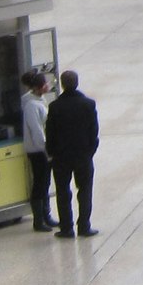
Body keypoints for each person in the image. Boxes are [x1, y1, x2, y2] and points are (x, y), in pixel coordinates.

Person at [44, 68, 99, 238]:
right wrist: (90, 151)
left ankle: (66, 227)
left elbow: (50, 133)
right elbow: (93, 132)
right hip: (83, 155)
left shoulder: (55, 107)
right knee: (85, 191)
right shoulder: (88, 104)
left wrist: (51, 152)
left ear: (62, 84)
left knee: (63, 192)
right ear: (77, 83)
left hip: (61, 157)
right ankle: (84, 226)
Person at [20, 70, 53, 233]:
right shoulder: (31, 106)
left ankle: (46, 215)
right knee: (40, 183)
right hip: (38, 150)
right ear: (38, 88)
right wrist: (45, 149)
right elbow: (37, 130)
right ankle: (39, 220)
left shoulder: (39, 100)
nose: (48, 86)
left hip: (42, 149)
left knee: (45, 182)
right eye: (45, 84)